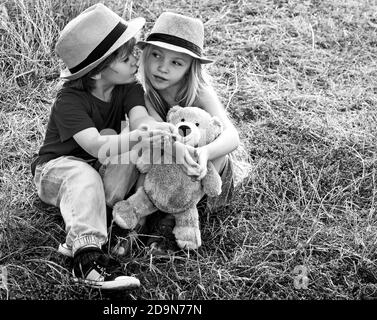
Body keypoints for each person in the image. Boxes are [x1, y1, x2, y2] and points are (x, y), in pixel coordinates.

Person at [31, 3, 174, 291]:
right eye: (125, 57)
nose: (136, 60)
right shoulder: (68, 101)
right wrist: (136, 137)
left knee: (131, 149)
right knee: (86, 173)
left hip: (98, 167)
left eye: (133, 51)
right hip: (58, 170)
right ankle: (87, 259)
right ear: (97, 72)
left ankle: (120, 219)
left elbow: (140, 120)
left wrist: (154, 131)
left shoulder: (128, 87)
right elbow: (96, 146)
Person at [133, 11, 252, 253]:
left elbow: (232, 136)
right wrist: (175, 149)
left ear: (190, 68)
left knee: (217, 143)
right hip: (165, 172)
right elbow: (159, 137)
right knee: (147, 144)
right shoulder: (148, 96)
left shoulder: (200, 93)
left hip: (204, 175)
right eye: (156, 55)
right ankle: (138, 217)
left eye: (176, 62)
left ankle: (171, 223)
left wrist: (205, 153)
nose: (162, 68)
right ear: (146, 55)